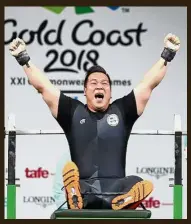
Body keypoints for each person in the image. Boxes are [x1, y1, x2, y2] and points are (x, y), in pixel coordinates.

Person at [8, 33, 180, 210]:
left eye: (105, 83)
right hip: (85, 189)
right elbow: (43, 86)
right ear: (84, 90)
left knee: (137, 182)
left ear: (110, 92)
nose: (99, 86)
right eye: (94, 83)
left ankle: (122, 201)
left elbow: (148, 84)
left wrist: (167, 54)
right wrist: (24, 59)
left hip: (116, 189)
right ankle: (78, 194)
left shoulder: (123, 110)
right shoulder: (71, 111)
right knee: (76, 179)